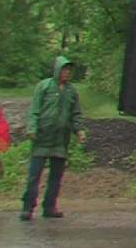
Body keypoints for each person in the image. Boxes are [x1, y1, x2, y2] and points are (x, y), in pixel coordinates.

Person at [20, 56, 85, 221]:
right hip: (42, 137)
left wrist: (79, 130)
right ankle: (27, 207)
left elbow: (76, 113)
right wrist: (32, 128)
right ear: (57, 70)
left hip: (61, 139)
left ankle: (49, 206)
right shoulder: (44, 86)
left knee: (56, 176)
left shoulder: (71, 91)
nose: (67, 73)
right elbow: (35, 110)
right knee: (34, 175)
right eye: (64, 69)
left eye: (69, 70)